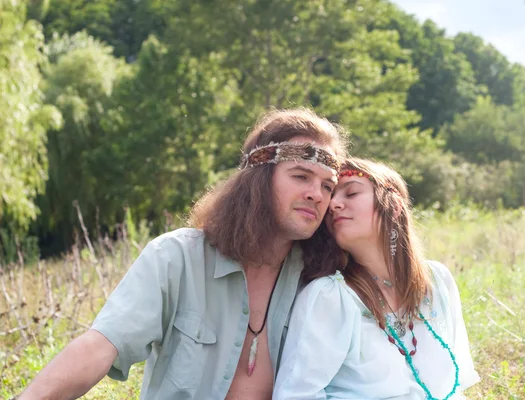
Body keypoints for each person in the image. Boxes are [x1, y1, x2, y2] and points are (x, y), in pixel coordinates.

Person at [18, 108, 348, 400]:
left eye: (327, 186)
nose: (316, 195)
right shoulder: (176, 258)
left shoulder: (322, 282)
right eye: (301, 176)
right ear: (258, 180)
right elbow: (102, 346)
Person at [273, 158, 480, 399]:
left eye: (350, 193)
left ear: (393, 206)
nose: (333, 205)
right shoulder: (331, 297)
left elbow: (457, 387)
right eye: (332, 198)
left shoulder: (437, 281)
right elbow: (296, 395)